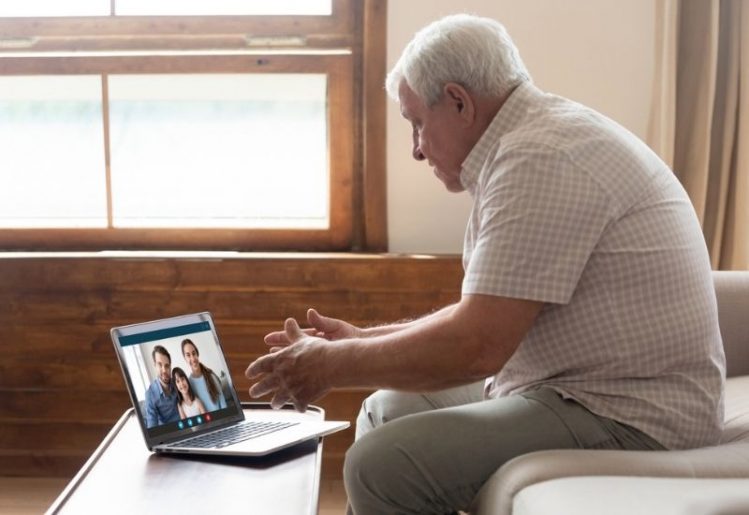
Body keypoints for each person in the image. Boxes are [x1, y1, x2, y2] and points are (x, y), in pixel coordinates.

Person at [245, 14, 726, 514]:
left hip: (631, 414)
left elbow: (477, 347)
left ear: (459, 101)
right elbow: (479, 317)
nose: (415, 148)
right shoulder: (533, 141)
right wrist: (361, 341)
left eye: (416, 122)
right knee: (386, 409)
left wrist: (331, 364)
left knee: (380, 465)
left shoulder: (540, 159)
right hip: (577, 384)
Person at [181, 338, 227, 412]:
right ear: (185, 358)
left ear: (197, 354)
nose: (192, 358)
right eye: (188, 355)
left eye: (194, 353)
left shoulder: (211, 375)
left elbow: (223, 403)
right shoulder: (189, 384)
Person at [144, 345, 180, 428]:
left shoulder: (177, 383)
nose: (164, 370)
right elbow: (152, 427)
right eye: (160, 365)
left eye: (167, 366)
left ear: (170, 366)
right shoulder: (150, 394)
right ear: (155, 365)